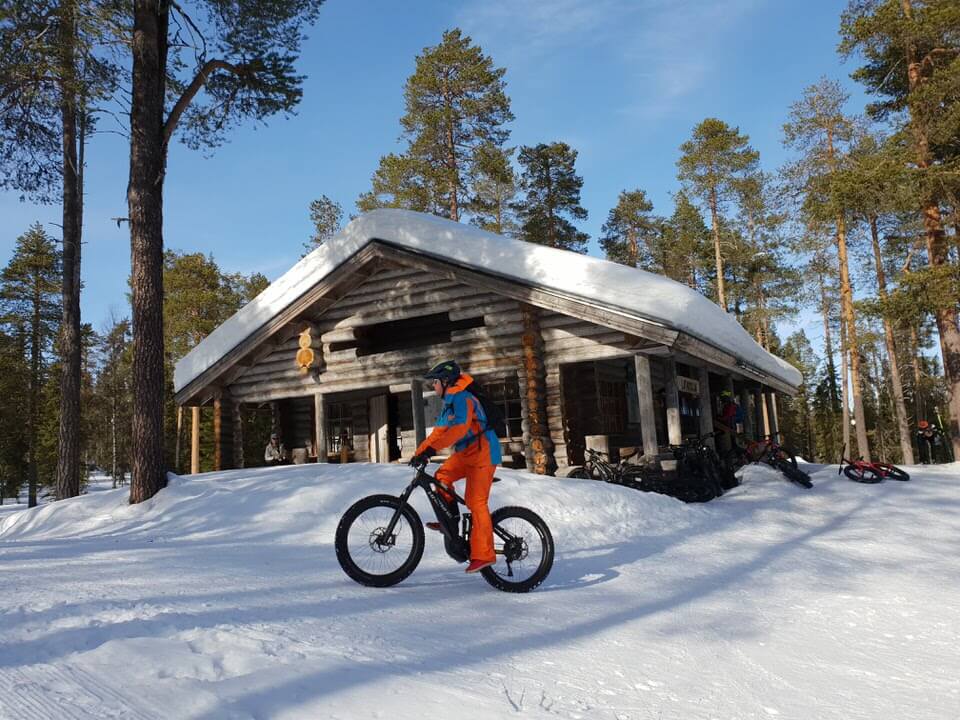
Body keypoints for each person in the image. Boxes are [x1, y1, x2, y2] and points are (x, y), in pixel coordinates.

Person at [409, 360, 501, 574]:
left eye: (434, 382)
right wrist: (420, 453)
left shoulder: (463, 398)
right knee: (441, 477)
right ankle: (448, 522)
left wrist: (433, 451)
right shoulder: (449, 402)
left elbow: (459, 429)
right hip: (466, 454)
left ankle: (484, 555)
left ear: (445, 381)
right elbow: (438, 433)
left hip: (485, 454)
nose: (433, 386)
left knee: (475, 501)